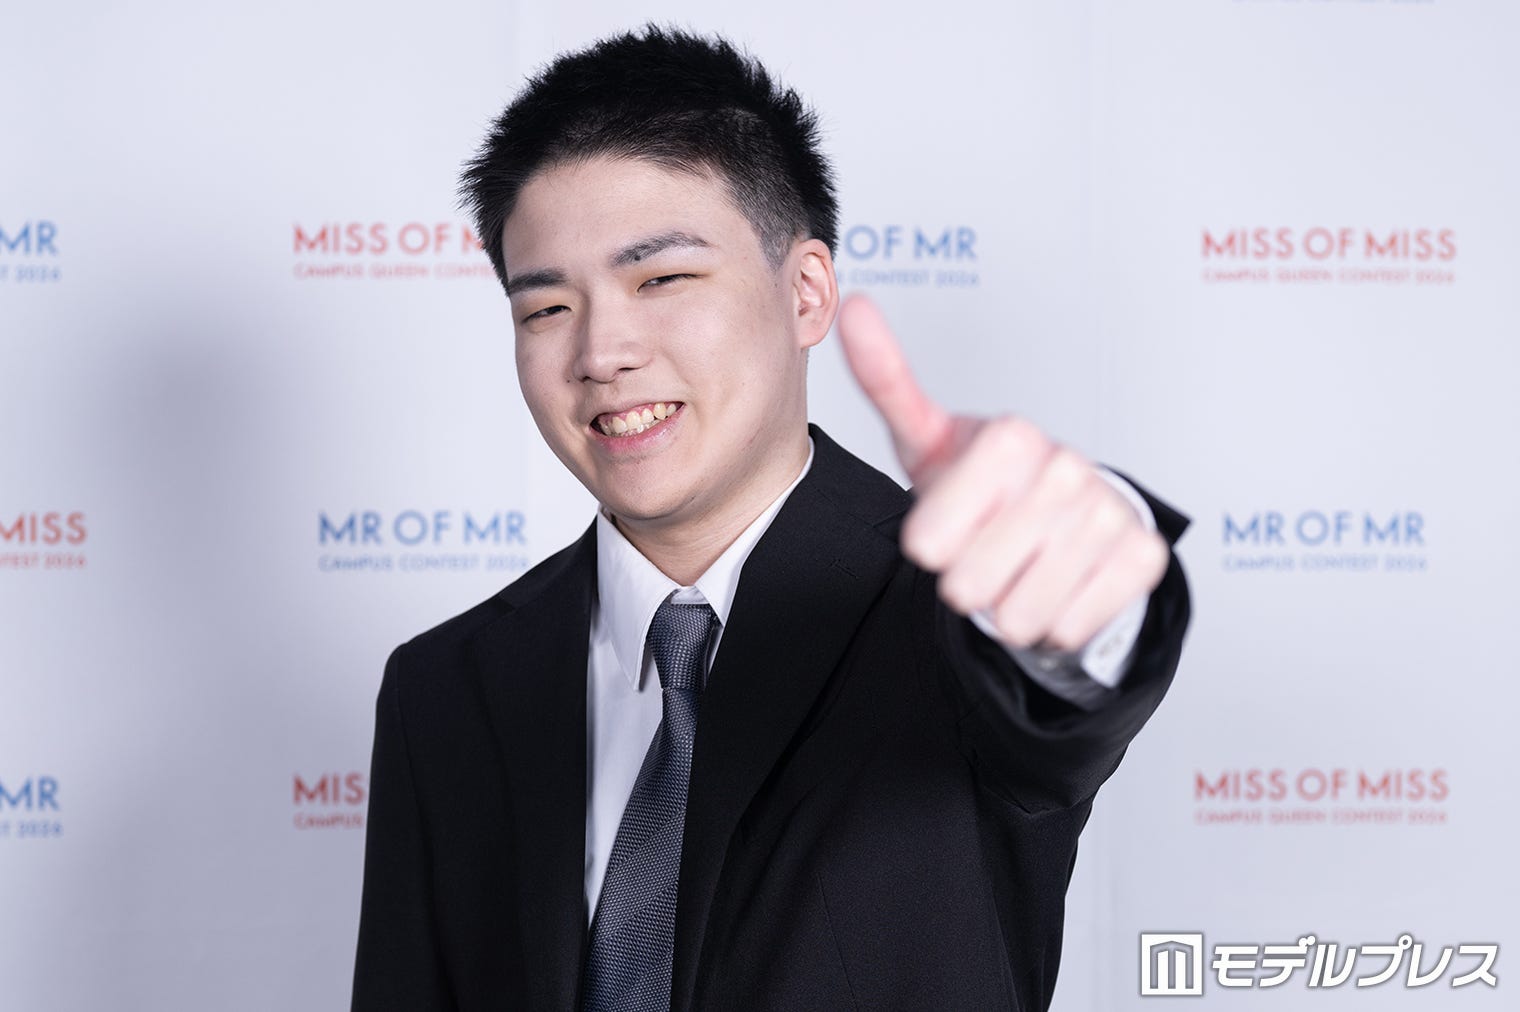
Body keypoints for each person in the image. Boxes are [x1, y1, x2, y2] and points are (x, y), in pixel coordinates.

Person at [352, 25, 1190, 1012]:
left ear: (805, 293)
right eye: (545, 309)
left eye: (660, 279)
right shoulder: (444, 689)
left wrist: (1087, 578)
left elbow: (1067, 674)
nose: (601, 352)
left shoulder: (951, 616)